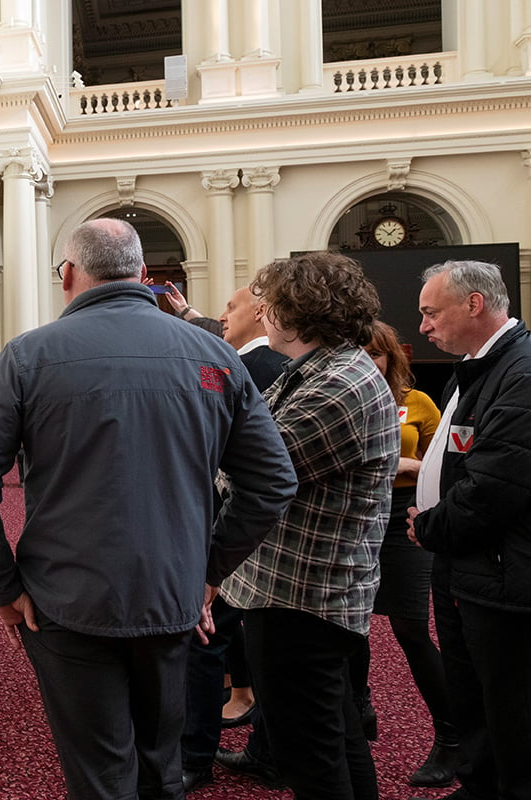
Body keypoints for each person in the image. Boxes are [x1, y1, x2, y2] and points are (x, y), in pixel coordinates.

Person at [0, 218, 298, 800]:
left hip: (64, 600)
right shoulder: (213, 355)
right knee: (163, 764)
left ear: (67, 276)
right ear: (144, 276)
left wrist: (1, 588)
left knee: (101, 774)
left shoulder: (29, 355)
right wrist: (207, 572)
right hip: (171, 593)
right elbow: (273, 482)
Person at [220, 251, 399, 800]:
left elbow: (254, 467)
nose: (263, 312)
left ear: (295, 311)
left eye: (269, 303)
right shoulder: (317, 368)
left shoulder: (339, 383)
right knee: (337, 739)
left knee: (311, 758)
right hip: (300, 591)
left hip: (305, 597)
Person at [407, 260, 531, 800]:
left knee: (509, 702)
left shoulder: (520, 371)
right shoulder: (484, 364)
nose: (424, 327)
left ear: (474, 304)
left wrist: (431, 525)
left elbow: (496, 486)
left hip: (499, 572)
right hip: (471, 565)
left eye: (431, 312)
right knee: (474, 693)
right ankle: (480, 783)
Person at [181, 283, 288, 792]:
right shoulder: (242, 360)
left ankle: (195, 754)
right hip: (235, 531)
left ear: (262, 312)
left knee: (207, 641)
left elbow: (267, 473)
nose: (224, 315)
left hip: (228, 530)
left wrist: (214, 562)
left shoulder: (254, 367)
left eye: (232, 306)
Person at [348, 321, 459, 787]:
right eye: (361, 353)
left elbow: (444, 464)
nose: (370, 362)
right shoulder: (346, 398)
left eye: (378, 354)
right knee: (349, 626)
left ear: (392, 358)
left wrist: (407, 464)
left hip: (404, 517)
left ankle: (453, 737)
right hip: (355, 517)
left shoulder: (419, 403)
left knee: (412, 628)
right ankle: (359, 712)